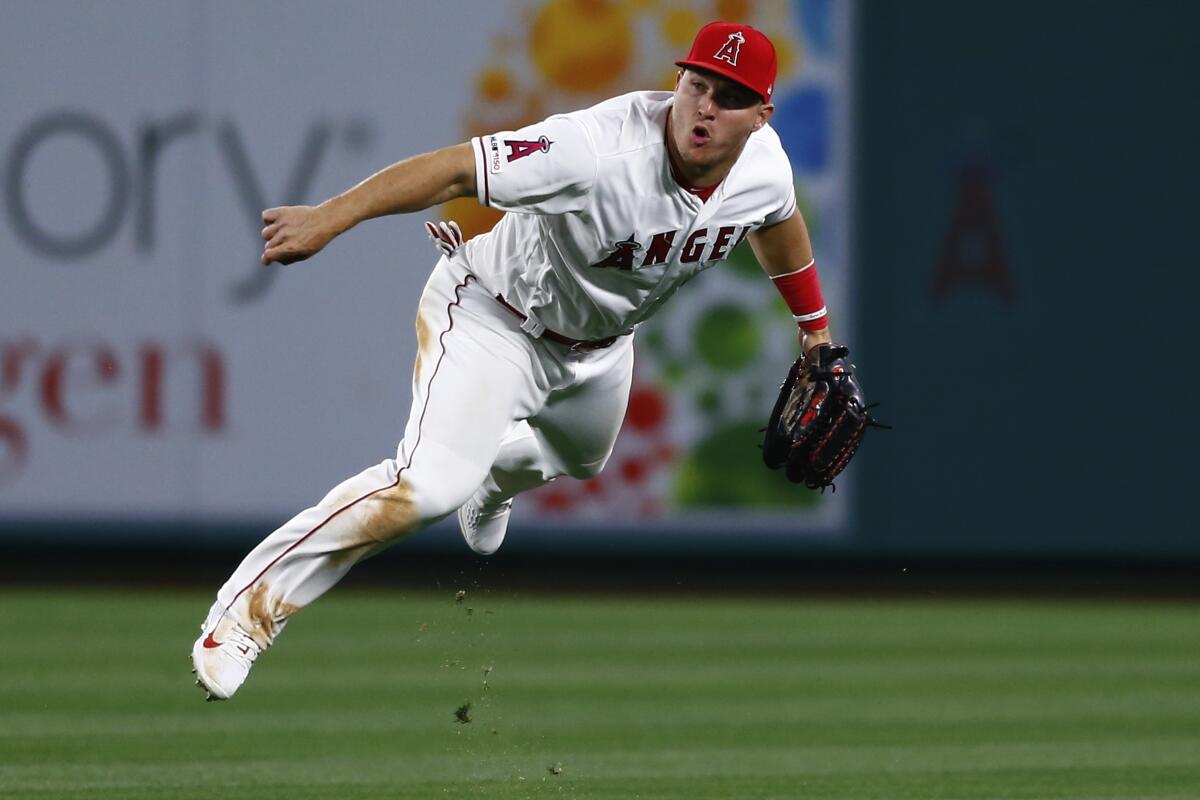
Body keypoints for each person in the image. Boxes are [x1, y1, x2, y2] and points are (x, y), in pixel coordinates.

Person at [191, 21, 837, 701]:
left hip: (602, 347)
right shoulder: (594, 148)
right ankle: (244, 616)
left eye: (729, 96)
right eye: (697, 83)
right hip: (494, 318)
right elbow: (453, 168)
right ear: (678, 80)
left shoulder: (763, 166)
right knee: (426, 488)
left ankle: (492, 482)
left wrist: (815, 331)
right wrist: (333, 216)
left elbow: (778, 220)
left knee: (583, 460)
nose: (705, 106)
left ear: (761, 114)